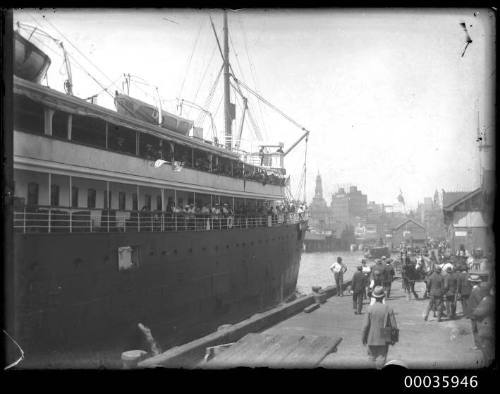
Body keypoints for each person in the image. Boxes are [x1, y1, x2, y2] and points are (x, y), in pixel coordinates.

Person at [362, 286, 398, 369]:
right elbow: (394, 326)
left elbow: (365, 326)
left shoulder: (369, 309)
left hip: (371, 337)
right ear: (383, 296)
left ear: (374, 297)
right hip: (384, 337)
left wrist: (363, 338)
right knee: (382, 358)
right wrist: (394, 339)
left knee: (371, 358)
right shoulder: (388, 308)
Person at [472, 286, 495, 366]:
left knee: (487, 351)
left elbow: (478, 313)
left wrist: (474, 311)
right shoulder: (490, 299)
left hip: (486, 329)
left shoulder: (487, 300)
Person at [467, 275, 489, 350]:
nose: (470, 283)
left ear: (472, 283)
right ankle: (480, 344)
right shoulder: (478, 289)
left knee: (475, 329)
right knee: (477, 329)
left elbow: (479, 302)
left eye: (470, 282)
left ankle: (478, 345)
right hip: (476, 313)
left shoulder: (476, 290)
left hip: (475, 314)